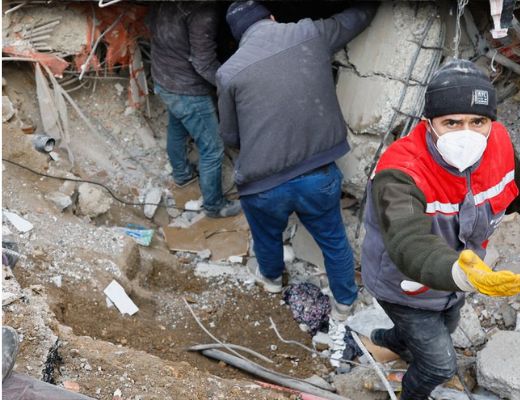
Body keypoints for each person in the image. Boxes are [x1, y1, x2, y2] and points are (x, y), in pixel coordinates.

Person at [361, 59, 520, 400]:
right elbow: (408, 242)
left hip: (460, 278)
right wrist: (463, 274)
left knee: (444, 327)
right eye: (452, 122)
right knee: (439, 365)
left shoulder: (499, 145)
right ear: (428, 123)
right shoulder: (401, 171)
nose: (467, 134)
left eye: (478, 121)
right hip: (405, 287)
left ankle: (383, 341)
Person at [217, 1, 378, 320]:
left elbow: (231, 137)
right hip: (316, 173)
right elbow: (354, 18)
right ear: (272, 17)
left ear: (239, 38)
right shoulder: (309, 33)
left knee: (266, 235)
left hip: (262, 185)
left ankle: (273, 281)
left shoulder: (229, 72)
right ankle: (345, 304)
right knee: (333, 240)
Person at [147, 3, 240, 218]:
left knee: (177, 127)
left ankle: (182, 174)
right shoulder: (203, 12)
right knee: (213, 148)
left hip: (164, 78)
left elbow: (149, 23)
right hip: (188, 90)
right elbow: (203, 62)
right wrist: (231, 84)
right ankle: (215, 205)